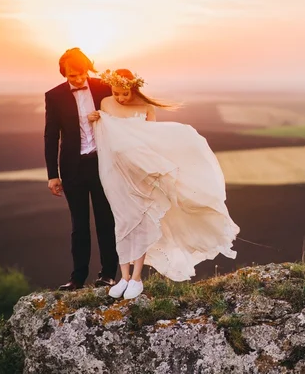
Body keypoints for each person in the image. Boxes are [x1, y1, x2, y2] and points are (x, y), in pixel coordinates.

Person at [88, 69, 238, 299]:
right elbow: (107, 137)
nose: (120, 98)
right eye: (116, 93)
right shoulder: (106, 103)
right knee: (122, 221)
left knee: (143, 221)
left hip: (142, 175)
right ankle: (123, 277)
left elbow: (153, 140)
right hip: (115, 174)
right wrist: (94, 119)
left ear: (134, 89)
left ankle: (136, 278)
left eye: (125, 93)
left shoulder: (146, 107)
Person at [44, 48, 118, 291]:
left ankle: (108, 274)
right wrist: (53, 174)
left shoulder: (104, 87)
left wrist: (106, 117)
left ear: (87, 69)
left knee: (106, 220)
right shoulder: (53, 96)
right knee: (79, 225)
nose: (76, 79)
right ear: (64, 73)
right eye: (71, 76)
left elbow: (123, 113)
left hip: (102, 163)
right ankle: (77, 278)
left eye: (80, 74)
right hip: (72, 168)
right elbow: (51, 135)